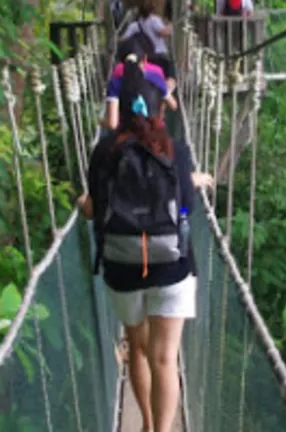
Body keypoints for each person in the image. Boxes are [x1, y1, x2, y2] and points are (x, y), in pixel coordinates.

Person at [80, 58, 214, 432]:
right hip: (172, 264)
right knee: (165, 358)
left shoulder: (104, 150)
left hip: (121, 266)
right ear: (160, 105)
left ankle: (146, 423)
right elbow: (185, 208)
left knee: (136, 347)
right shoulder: (177, 149)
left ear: (119, 105)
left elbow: (94, 209)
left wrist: (83, 205)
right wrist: (190, 180)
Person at [101, 36, 176, 135]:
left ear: (121, 61)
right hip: (155, 133)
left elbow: (112, 124)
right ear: (145, 59)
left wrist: (100, 121)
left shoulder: (115, 83)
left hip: (127, 134)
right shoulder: (156, 78)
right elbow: (173, 105)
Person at [120, 3, 175, 91]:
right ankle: (167, 97)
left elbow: (123, 39)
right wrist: (172, 26)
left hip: (145, 58)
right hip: (159, 56)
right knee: (170, 78)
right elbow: (163, 33)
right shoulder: (154, 20)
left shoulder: (134, 25)